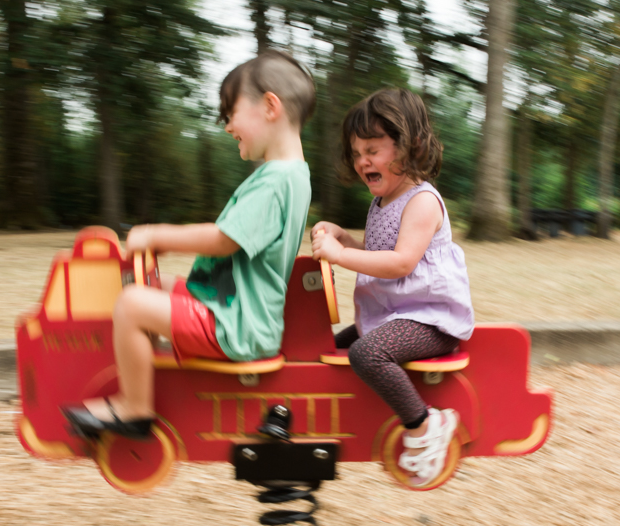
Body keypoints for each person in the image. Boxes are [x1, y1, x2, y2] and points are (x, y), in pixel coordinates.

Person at [62, 50, 316, 440]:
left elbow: (223, 240)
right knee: (150, 289)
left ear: (269, 106)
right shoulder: (292, 175)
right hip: (236, 309)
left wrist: (157, 234)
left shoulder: (275, 180)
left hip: (237, 325)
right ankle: (150, 374)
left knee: (131, 305)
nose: (227, 126)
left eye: (231, 113)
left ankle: (134, 407)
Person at [311, 88, 474, 487]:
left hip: (429, 318)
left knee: (367, 353)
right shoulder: (383, 201)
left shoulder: (422, 202)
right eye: (357, 153)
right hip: (394, 314)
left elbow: (401, 262)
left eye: (372, 149)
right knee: (331, 347)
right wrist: (346, 240)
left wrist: (336, 255)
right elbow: (380, 250)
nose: (363, 160)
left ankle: (424, 426)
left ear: (411, 146)